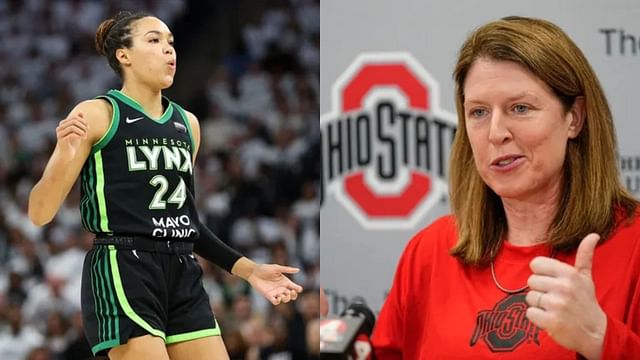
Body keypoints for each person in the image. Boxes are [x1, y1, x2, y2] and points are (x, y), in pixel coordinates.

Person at [28, 10, 303, 360]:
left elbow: (185, 222)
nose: (169, 50)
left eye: (171, 42)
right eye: (154, 41)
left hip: (182, 269)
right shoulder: (98, 113)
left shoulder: (188, 124)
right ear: (123, 55)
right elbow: (39, 213)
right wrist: (61, 158)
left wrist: (250, 271)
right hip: (123, 265)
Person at [371, 16, 640, 359]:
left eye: (520, 108)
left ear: (575, 117)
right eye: (479, 112)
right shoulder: (429, 251)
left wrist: (602, 340)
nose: (496, 132)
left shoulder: (634, 245)